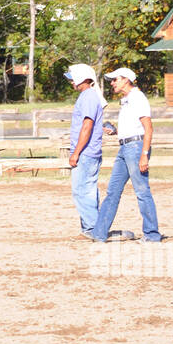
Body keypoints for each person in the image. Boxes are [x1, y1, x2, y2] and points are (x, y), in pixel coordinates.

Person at [92, 67, 166, 243]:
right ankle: (99, 233)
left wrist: (144, 154)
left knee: (141, 191)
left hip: (135, 148)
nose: (112, 83)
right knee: (113, 191)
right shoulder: (126, 100)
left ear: (126, 80)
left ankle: (152, 234)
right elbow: (132, 127)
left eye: (115, 80)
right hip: (125, 147)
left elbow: (148, 128)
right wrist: (114, 131)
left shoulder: (138, 98)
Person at [66, 64, 106, 240]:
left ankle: (93, 228)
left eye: (73, 78)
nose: (71, 81)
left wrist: (76, 152)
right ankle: (91, 227)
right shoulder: (89, 96)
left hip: (85, 153)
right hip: (89, 152)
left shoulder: (88, 97)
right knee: (88, 190)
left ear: (82, 79)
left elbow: (87, 126)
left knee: (81, 191)